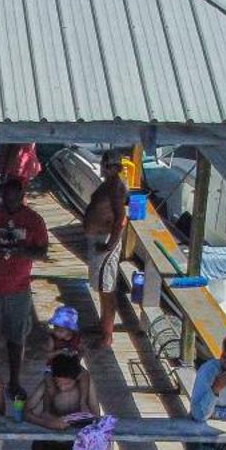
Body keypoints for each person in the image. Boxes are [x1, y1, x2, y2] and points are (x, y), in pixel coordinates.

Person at [0, 176, 49, 385]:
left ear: (22, 196)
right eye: (7, 198)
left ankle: (14, 380)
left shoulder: (34, 220)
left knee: (17, 338)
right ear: (2, 196)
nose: (10, 202)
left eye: (15, 198)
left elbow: (42, 252)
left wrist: (24, 251)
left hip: (19, 288)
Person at [80, 150, 132, 349]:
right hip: (97, 239)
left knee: (107, 290)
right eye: (104, 163)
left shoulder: (116, 187)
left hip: (105, 242)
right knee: (101, 287)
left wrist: (111, 244)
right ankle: (103, 326)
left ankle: (107, 337)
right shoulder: (109, 184)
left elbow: (120, 218)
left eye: (109, 165)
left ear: (117, 168)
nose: (105, 167)